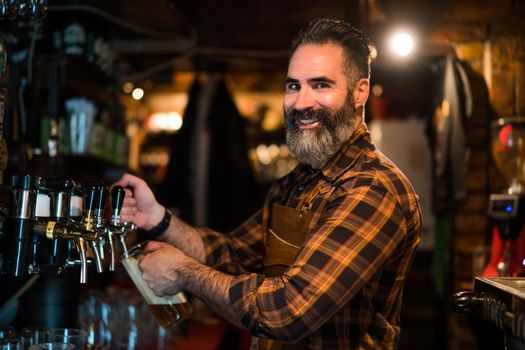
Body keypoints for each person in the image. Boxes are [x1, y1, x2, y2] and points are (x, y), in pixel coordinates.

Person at [114, 18, 422, 350]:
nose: (301, 103)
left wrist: (184, 273)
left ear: (359, 92)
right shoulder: (295, 184)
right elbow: (230, 254)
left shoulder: (373, 190)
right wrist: (158, 218)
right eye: (293, 86)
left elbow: (288, 312)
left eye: (320, 85)